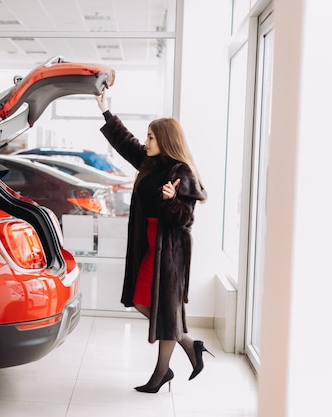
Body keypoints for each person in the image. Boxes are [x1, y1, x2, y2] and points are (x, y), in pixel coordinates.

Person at [95, 91, 210, 393]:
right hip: (148, 247)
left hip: (170, 251)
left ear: (165, 140)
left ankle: (160, 375)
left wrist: (173, 201)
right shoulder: (149, 163)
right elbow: (124, 142)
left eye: (150, 138)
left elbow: (185, 219)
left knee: (164, 310)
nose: (145, 142)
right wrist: (106, 111)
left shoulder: (180, 173)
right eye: (146, 137)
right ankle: (190, 345)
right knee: (141, 299)